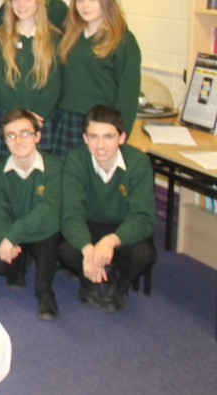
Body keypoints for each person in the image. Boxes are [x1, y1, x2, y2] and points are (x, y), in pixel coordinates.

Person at [57, 105, 156, 312]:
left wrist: (110, 241)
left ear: (122, 138)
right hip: (89, 225)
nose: (100, 145)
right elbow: (71, 215)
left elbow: (143, 218)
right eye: (93, 137)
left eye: (109, 137)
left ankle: (119, 286)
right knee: (66, 249)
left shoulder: (138, 163)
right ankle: (89, 282)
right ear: (85, 138)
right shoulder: (76, 160)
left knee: (143, 254)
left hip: (122, 227)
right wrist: (88, 250)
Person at [0, 109, 62, 320]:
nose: (18, 140)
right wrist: (4, 238)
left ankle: (44, 291)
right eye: (11, 135)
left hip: (42, 231)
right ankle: (17, 267)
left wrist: (12, 236)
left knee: (48, 229)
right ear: (5, 141)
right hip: (13, 233)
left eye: (25, 133)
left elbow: (49, 210)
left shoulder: (54, 166)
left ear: (37, 136)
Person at [54, 0, 141, 156]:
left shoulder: (122, 40)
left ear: (105, 1)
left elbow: (128, 94)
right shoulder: (71, 35)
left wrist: (119, 134)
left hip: (100, 125)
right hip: (67, 120)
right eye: (80, 0)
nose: (85, 6)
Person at [0, 0, 61, 157]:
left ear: (38, 2)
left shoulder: (54, 39)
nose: (21, 4)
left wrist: (35, 116)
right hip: (5, 115)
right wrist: (21, 116)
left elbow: (55, 83)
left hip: (41, 118)